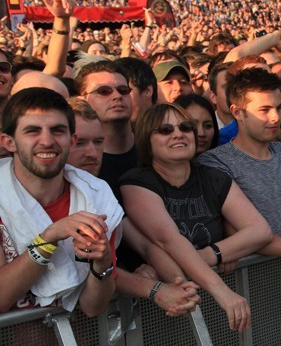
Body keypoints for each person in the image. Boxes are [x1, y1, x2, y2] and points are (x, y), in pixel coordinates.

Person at [120, 104, 273, 332]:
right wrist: (222, 290)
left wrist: (211, 254)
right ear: (146, 140)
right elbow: (166, 240)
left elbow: (260, 230)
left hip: (213, 308)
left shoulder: (213, 177)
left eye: (185, 127)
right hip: (165, 313)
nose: (178, 134)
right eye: (165, 129)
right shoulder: (136, 181)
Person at [197, 69, 281, 293]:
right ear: (237, 112)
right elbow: (237, 232)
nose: (275, 117)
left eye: (278, 108)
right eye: (264, 110)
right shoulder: (214, 162)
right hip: (244, 287)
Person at [66, 97, 200, 317]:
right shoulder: (38, 195)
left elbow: (144, 245)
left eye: (98, 142)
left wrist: (176, 283)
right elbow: (77, 272)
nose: (92, 153)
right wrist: (155, 289)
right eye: (79, 143)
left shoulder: (100, 190)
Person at [0, 89, 120, 315]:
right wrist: (50, 237)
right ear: (9, 142)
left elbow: (93, 308)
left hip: (74, 345)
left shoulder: (97, 196)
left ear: (71, 140)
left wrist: (102, 264)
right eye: (32, 131)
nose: (47, 141)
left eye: (57, 131)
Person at [76, 61, 137, 195]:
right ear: (82, 100)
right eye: (103, 91)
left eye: (124, 90)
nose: (117, 96)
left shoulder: (153, 145)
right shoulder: (78, 158)